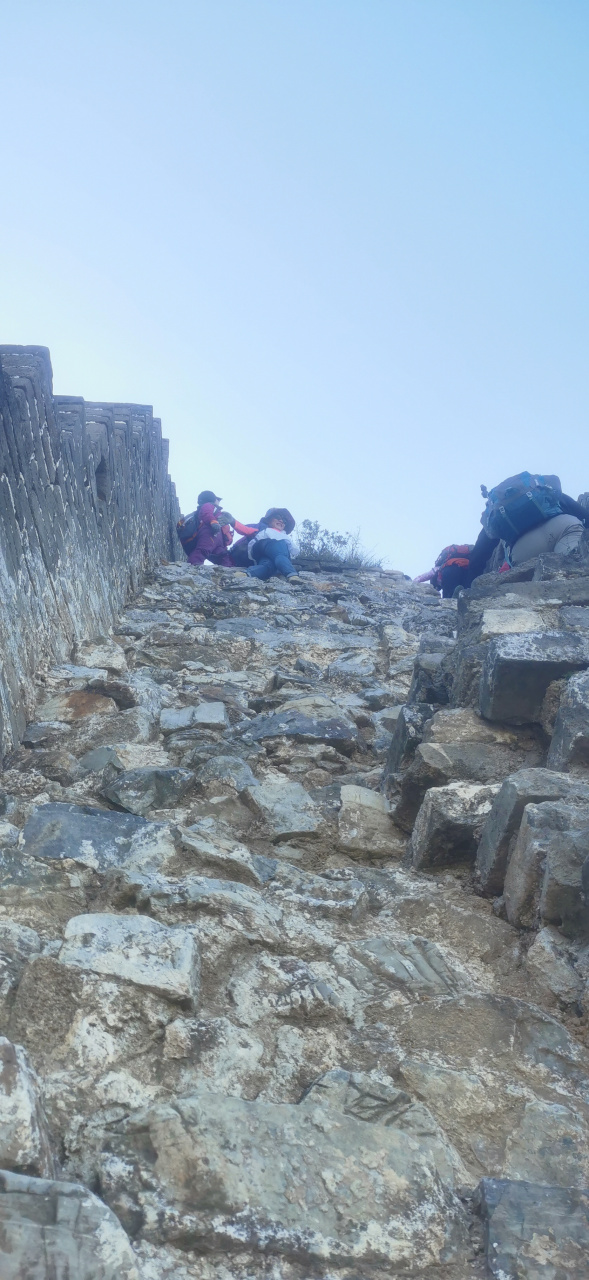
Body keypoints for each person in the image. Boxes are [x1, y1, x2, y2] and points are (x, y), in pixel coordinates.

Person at [178, 490, 256, 567]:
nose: (218, 501)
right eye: (217, 499)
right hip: (210, 533)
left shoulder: (213, 509)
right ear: (212, 499)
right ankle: (193, 565)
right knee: (203, 549)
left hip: (218, 540)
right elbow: (207, 513)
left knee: (223, 555)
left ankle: (228, 568)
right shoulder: (209, 506)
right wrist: (213, 522)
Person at [246, 509, 302, 583]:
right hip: (265, 548)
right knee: (280, 550)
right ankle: (291, 574)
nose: (281, 521)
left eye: (284, 521)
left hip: (267, 557)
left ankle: (246, 574)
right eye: (278, 517)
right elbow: (254, 542)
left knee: (268, 566)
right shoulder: (266, 531)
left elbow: (293, 551)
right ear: (269, 520)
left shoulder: (285, 536)